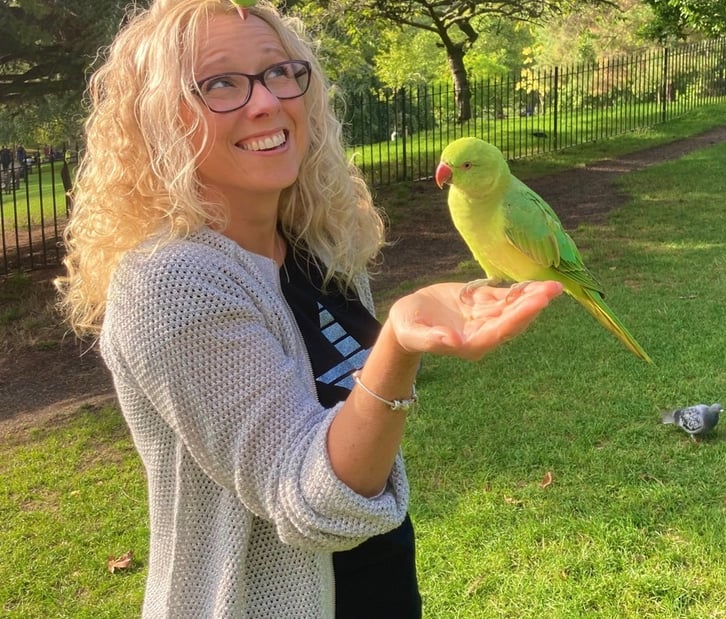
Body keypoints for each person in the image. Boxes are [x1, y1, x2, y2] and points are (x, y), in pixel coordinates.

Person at [56, 1, 563, 617]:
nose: (267, 101)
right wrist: (397, 346)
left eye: (279, 72)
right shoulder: (169, 285)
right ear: (160, 120)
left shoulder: (319, 248)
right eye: (220, 83)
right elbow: (312, 503)